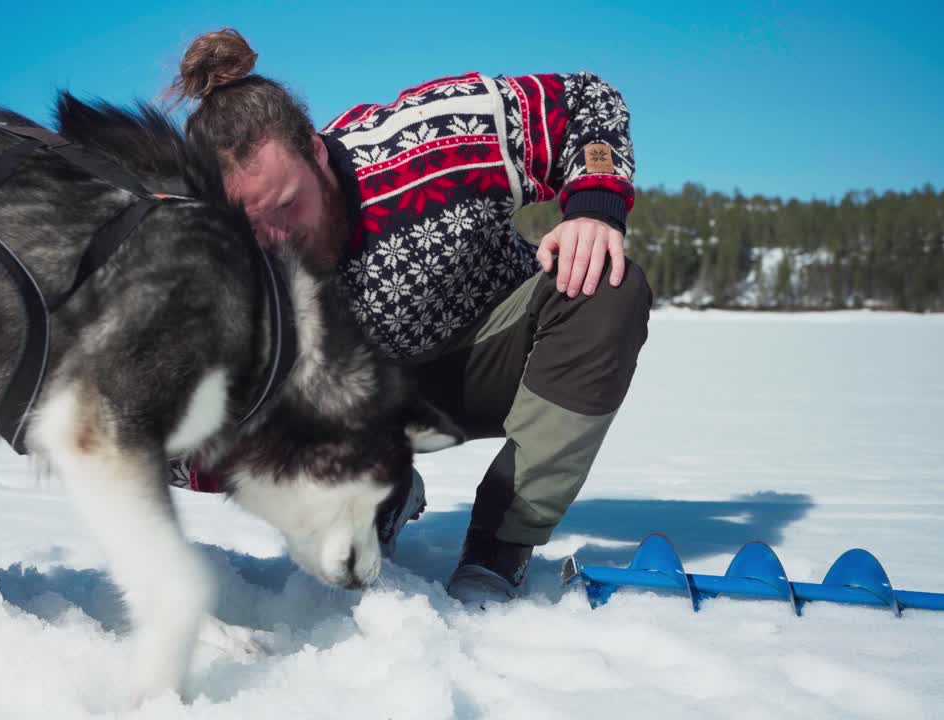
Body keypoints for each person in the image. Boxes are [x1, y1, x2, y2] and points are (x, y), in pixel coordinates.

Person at [167, 29, 652, 605]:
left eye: (286, 205)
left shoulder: (430, 139)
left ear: (317, 150)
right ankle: (378, 497)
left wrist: (594, 208)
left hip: (498, 358)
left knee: (604, 287)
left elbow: (586, 103)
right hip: (356, 409)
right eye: (250, 226)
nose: (277, 238)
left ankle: (501, 545)